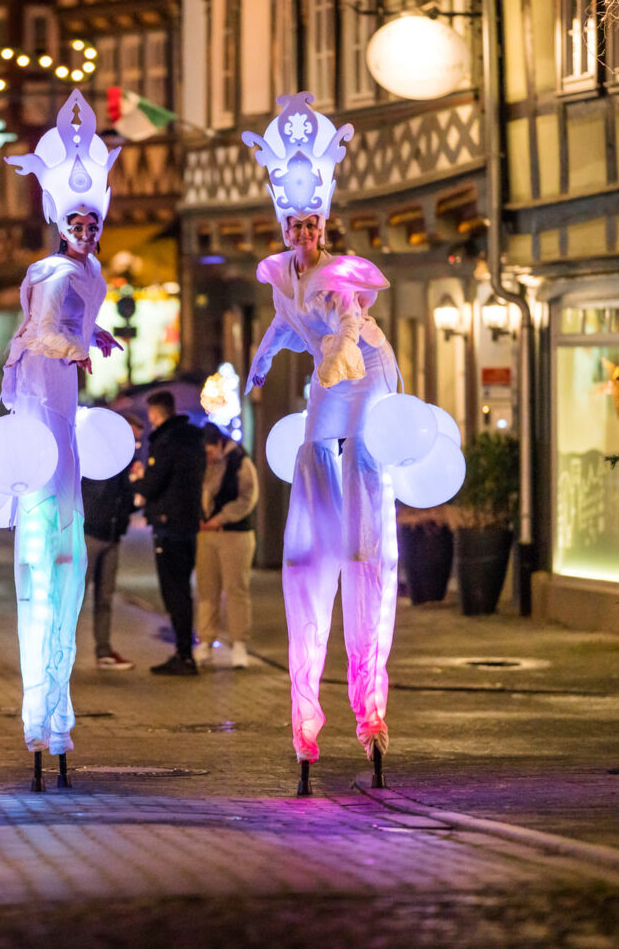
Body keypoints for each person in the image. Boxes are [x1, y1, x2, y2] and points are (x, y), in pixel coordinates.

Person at [241, 92, 400, 794]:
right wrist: (260, 361)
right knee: (312, 459)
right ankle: (319, 544)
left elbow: (339, 330)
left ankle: (372, 696)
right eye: (296, 223)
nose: (306, 233)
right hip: (324, 378)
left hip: (364, 372)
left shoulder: (339, 276)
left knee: (357, 469)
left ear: (323, 223)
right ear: (285, 224)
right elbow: (284, 325)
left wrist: (331, 372)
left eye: (313, 223)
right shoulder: (281, 273)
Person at [1, 89, 123, 791]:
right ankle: (40, 713)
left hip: (60, 393)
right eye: (74, 218)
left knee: (64, 537)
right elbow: (40, 328)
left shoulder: (89, 270)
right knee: (51, 531)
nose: (83, 227)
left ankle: (55, 709)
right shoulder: (52, 271)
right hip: (44, 396)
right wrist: (72, 349)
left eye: (91, 218)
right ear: (60, 222)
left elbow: (72, 323)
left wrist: (92, 337)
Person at [132, 389, 206, 676]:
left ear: (155, 414)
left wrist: (137, 480)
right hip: (188, 523)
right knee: (183, 590)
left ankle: (184, 654)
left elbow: (154, 485)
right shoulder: (193, 438)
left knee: (173, 590)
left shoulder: (165, 441)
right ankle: (185, 651)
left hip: (168, 524)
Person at [81, 414, 142, 671]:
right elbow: (95, 497)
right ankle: (59, 649)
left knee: (105, 597)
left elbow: (125, 502)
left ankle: (103, 650)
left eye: (137, 442)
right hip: (90, 534)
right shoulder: (97, 460)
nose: (135, 446)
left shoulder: (124, 466)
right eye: (133, 439)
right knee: (76, 595)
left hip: (112, 536)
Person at [196, 423, 258, 669]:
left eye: (211, 452)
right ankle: (206, 642)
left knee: (236, 589)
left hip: (235, 534)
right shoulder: (203, 463)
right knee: (206, 589)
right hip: (205, 534)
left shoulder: (239, 461)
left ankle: (239, 644)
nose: (208, 458)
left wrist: (220, 518)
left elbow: (247, 498)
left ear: (221, 445)